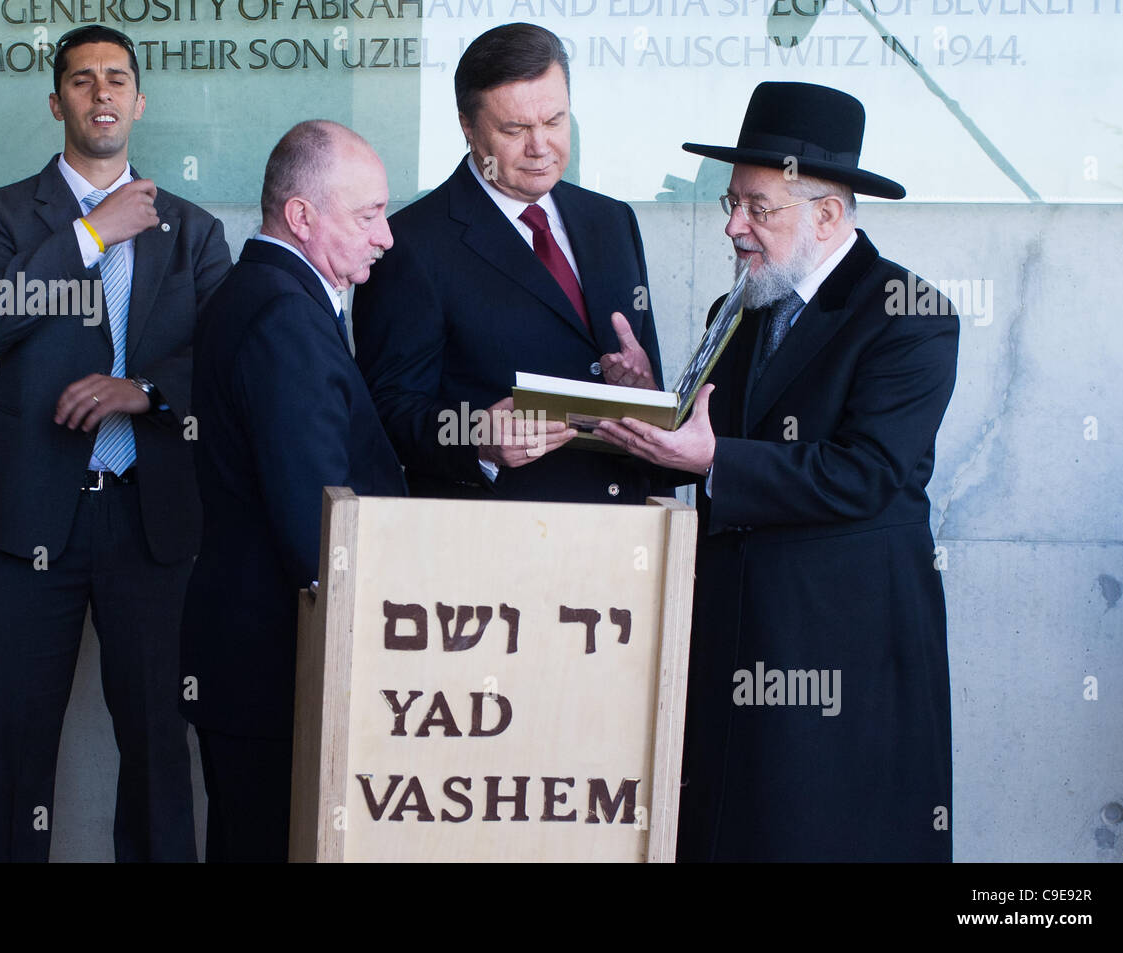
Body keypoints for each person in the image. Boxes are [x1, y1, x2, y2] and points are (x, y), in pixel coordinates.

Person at [596, 82, 959, 861]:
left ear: (827, 214)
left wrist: (714, 458)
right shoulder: (739, 309)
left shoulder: (910, 311)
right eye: (733, 203)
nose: (733, 226)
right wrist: (652, 404)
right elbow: (709, 434)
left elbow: (868, 472)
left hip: (841, 649)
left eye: (758, 208)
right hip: (733, 636)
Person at [0, 25, 230, 862]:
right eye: (81, 80)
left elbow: (221, 360)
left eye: (116, 79)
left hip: (151, 520)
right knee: (11, 742)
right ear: (57, 102)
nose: (100, 92)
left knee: (156, 744)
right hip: (30, 511)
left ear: (139, 102)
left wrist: (142, 392)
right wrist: (92, 233)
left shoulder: (194, 230)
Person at [179, 120, 406, 863]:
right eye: (368, 214)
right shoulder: (282, 314)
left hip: (258, 670)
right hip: (280, 675)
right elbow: (314, 527)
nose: (387, 237)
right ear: (302, 216)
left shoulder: (269, 294)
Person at [352, 22, 667, 503]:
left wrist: (644, 390)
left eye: (555, 121)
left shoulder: (612, 221)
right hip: (496, 546)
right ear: (468, 127)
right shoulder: (414, 244)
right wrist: (476, 435)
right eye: (515, 129)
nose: (540, 147)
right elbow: (386, 411)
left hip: (624, 533)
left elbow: (643, 385)